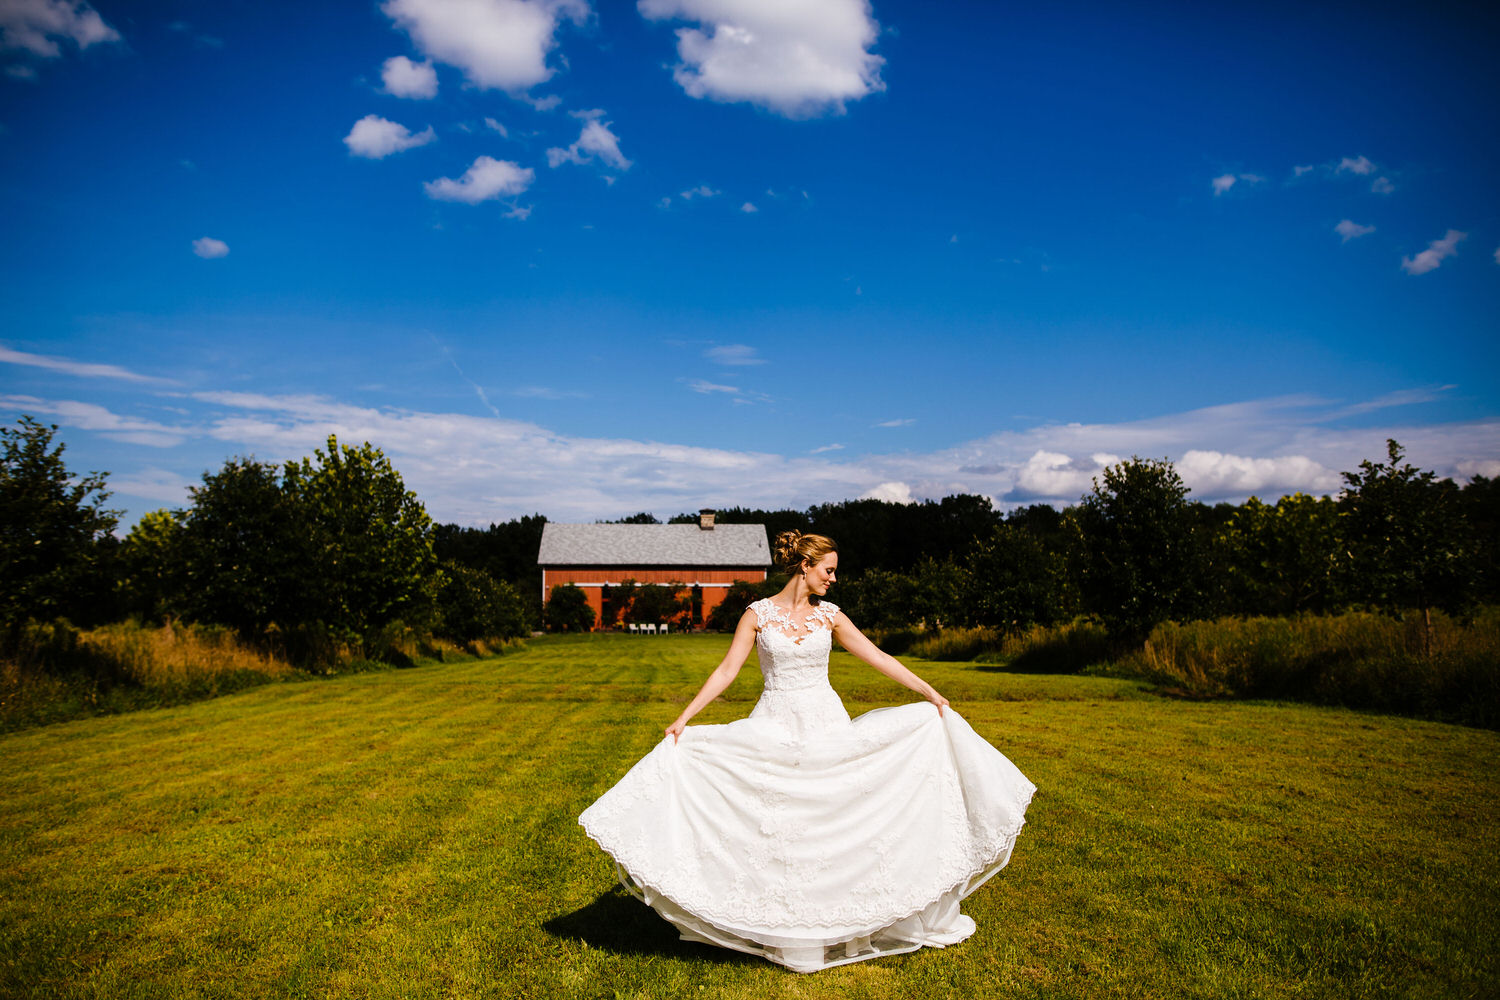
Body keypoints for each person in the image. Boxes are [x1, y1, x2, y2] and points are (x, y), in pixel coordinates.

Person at [579, 530, 1035, 973]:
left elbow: (876, 655)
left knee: (831, 821)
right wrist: (685, 717)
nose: (833, 579)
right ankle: (779, 923)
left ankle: (844, 919)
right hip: (774, 724)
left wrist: (927, 690)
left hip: (826, 724)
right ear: (805, 565)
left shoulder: (831, 615)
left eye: (835, 572)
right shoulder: (757, 615)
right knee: (778, 827)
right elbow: (727, 672)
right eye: (829, 570)